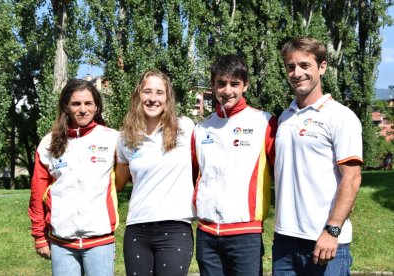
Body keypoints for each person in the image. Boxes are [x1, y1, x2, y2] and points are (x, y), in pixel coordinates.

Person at [273, 37, 363, 275]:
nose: (297, 73)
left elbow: (352, 179)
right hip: (284, 240)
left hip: (324, 241)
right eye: (291, 67)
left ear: (322, 67)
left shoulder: (341, 116)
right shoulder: (284, 118)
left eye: (305, 65)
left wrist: (332, 231)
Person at [191, 54, 277, 276]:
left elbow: (284, 173)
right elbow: (193, 175)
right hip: (207, 233)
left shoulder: (264, 122)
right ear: (213, 86)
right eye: (221, 83)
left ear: (245, 85)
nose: (227, 90)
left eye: (234, 84)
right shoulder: (201, 129)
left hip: (245, 232)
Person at [28, 79, 119, 276]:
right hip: (62, 242)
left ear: (97, 107)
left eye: (88, 103)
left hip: (100, 240)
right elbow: (37, 193)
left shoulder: (113, 139)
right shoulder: (48, 143)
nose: (83, 109)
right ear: (66, 107)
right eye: (76, 104)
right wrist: (39, 236)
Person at [115, 70, 195, 276]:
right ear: (138, 95)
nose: (152, 99)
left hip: (176, 227)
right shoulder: (125, 138)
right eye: (147, 91)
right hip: (137, 229)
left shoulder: (186, 128)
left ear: (168, 98)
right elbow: (117, 184)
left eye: (159, 92)